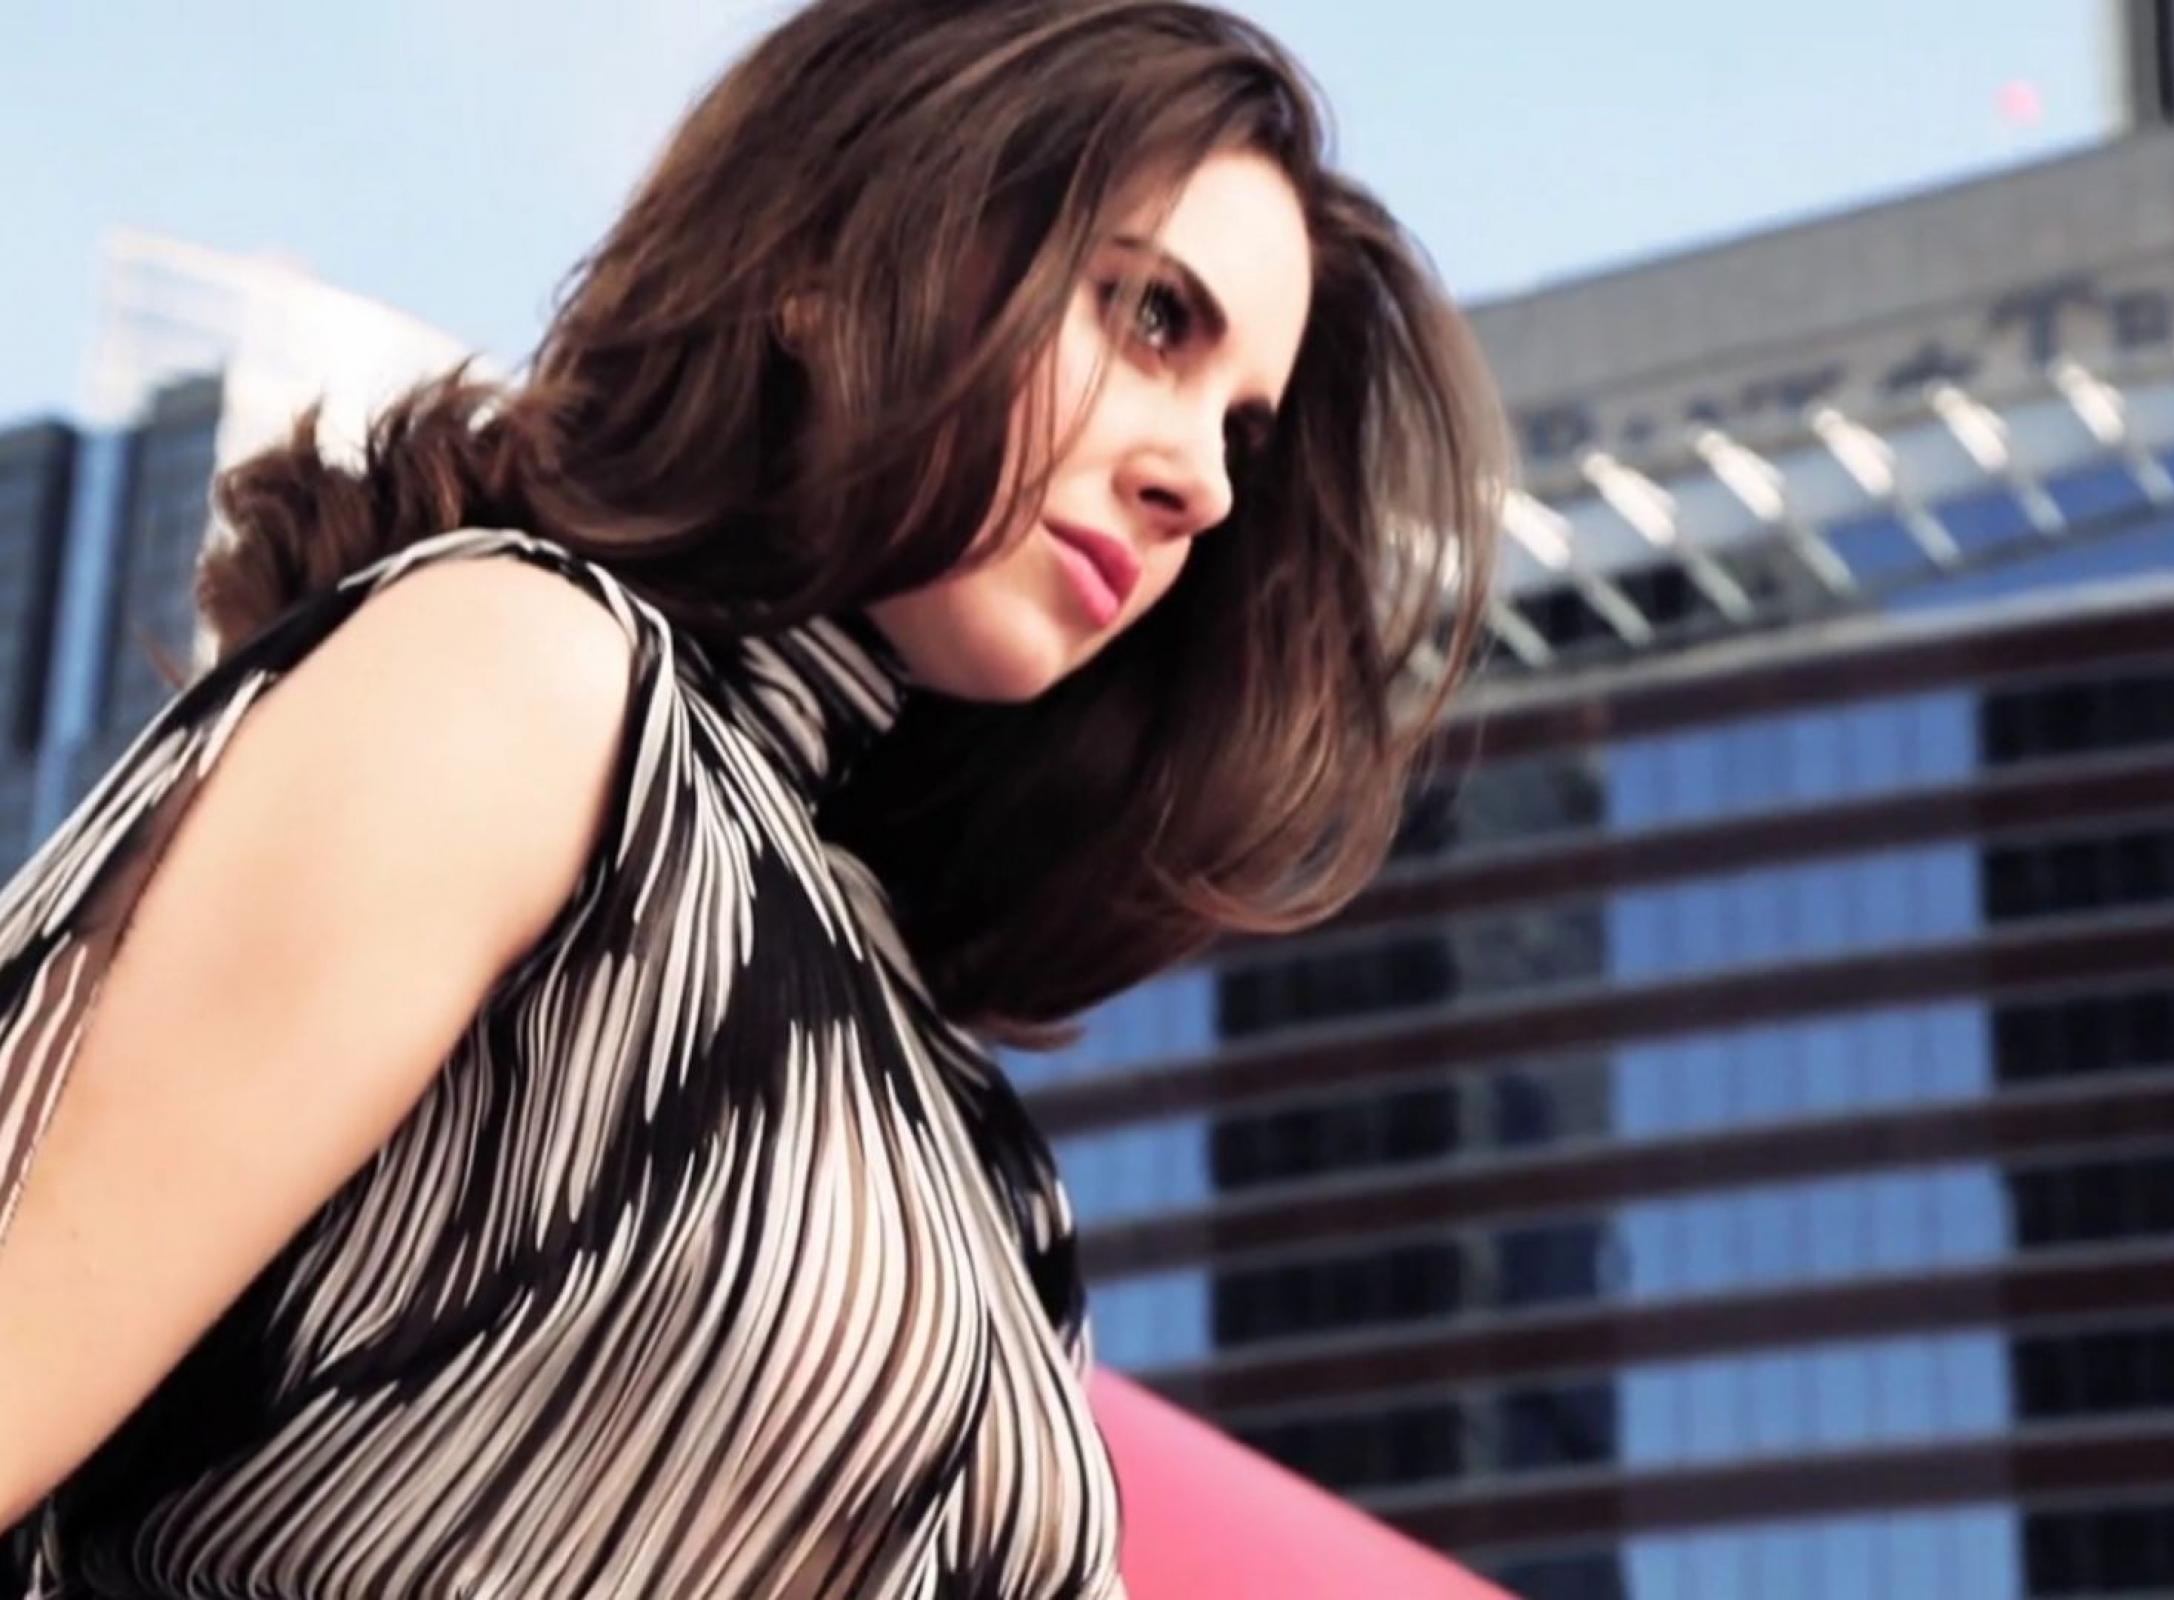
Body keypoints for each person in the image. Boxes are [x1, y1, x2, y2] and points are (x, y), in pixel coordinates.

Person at [0, 1, 1504, 1594]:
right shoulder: (524, 681)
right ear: (830, 262)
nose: (1198, 477)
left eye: (1238, 432)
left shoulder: (961, 1123)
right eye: (1147, 317)